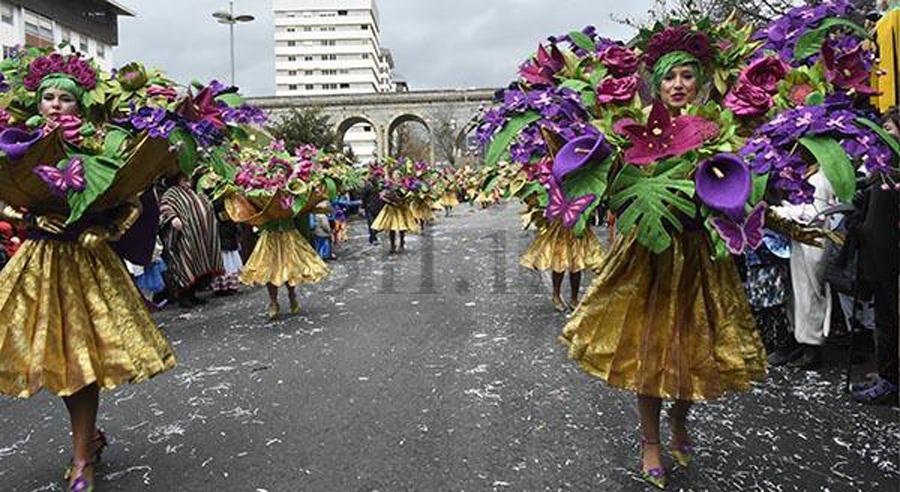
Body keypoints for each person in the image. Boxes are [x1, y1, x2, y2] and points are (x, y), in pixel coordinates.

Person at [561, 35, 766, 489]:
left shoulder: (719, 129)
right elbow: (612, 187)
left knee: (692, 353)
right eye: (669, 76)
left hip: (697, 260)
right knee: (649, 354)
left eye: (687, 75)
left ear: (700, 82)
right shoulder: (629, 129)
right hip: (649, 260)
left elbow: (739, 190)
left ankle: (679, 421)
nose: (678, 84)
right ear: (656, 85)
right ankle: (650, 442)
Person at [0, 64, 175, 492]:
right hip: (39, 263)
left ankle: (82, 459)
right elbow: (4, 200)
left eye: (65, 99)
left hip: (87, 262)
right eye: (48, 98)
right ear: (36, 102)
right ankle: (88, 438)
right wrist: (30, 214)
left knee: (80, 361)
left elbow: (132, 198)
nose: (56, 106)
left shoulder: (103, 144)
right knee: (57, 362)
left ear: (80, 105)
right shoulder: (19, 148)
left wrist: (108, 229)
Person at [851, 107, 899, 404]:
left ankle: (891, 380)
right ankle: (888, 373)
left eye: (890, 128)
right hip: (878, 258)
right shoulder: (882, 166)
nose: (884, 134)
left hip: (892, 260)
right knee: (884, 320)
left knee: (892, 321)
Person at [240, 215, 330, 320]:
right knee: (269, 269)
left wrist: (305, 237)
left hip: (288, 235)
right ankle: (273, 302)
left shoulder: (292, 198)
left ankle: (292, 295)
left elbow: (300, 215)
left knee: (290, 269)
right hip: (270, 235)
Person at [519, 200, 603, 312]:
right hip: (560, 223)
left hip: (577, 222)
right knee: (559, 262)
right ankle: (556, 294)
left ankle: (574, 298)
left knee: (577, 263)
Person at [159, 174, 223, 308]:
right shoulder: (172, 193)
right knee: (185, 263)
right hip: (183, 237)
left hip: (197, 237)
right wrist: (173, 218)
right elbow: (165, 206)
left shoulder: (192, 191)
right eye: (185, 179)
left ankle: (192, 295)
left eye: (189, 179)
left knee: (196, 263)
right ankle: (183, 297)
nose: (189, 181)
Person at [211, 199, 243, 296]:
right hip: (224, 234)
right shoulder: (220, 202)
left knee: (228, 260)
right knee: (227, 261)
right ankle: (226, 286)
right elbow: (224, 217)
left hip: (224, 234)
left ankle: (225, 286)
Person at [361, 175, 384, 245]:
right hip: (375, 207)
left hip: (370, 207)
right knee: (374, 223)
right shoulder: (376, 188)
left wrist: (362, 206)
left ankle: (373, 238)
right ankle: (373, 238)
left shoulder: (368, 188)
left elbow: (363, 198)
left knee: (371, 223)